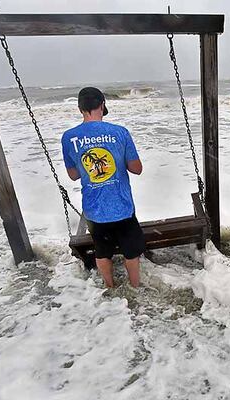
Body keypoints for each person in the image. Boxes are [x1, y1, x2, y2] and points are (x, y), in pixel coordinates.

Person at [61, 87, 145, 288]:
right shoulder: (119, 133)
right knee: (131, 252)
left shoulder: (68, 137)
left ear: (80, 108)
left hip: (94, 209)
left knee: (102, 250)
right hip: (122, 206)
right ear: (102, 105)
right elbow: (137, 169)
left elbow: (73, 175)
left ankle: (110, 286)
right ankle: (135, 287)